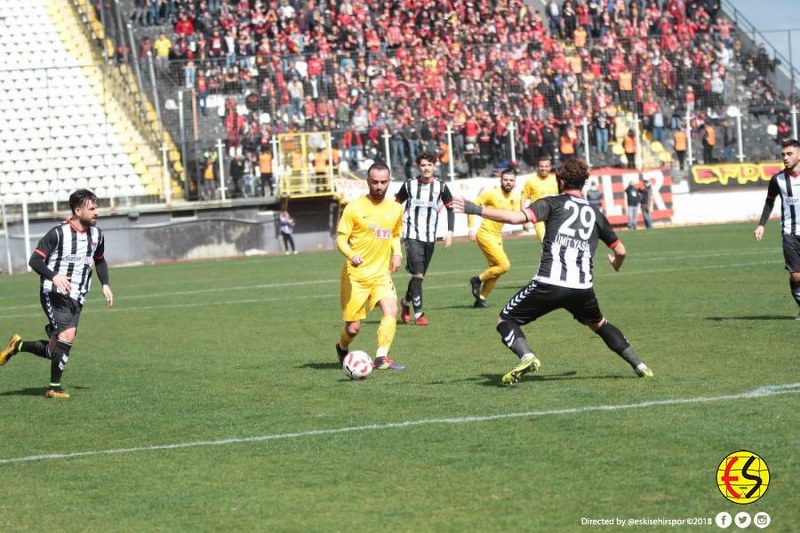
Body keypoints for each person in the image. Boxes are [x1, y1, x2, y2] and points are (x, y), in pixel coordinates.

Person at [453, 158, 653, 385]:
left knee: (504, 319)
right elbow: (621, 250)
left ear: (561, 180)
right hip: (582, 288)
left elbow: (514, 217)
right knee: (600, 324)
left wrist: (473, 208)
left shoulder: (552, 203)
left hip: (549, 283)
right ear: (584, 183)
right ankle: (640, 365)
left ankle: (527, 356)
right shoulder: (595, 213)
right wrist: (616, 263)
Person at [0, 189, 114, 398]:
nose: (96, 212)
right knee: (67, 335)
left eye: (96, 207)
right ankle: (54, 387)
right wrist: (54, 277)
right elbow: (34, 260)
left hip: (78, 296)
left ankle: (17, 345)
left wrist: (105, 284)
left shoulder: (97, 234)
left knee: (55, 350)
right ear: (78, 211)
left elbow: (100, 260)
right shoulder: (58, 233)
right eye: (92, 208)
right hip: (53, 292)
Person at [334, 163, 405, 370]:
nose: (379, 186)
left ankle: (382, 357)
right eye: (375, 182)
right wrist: (351, 254)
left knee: (391, 310)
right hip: (355, 277)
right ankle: (341, 346)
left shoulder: (395, 208)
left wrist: (398, 254)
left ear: (389, 182)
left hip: (381, 275)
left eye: (383, 182)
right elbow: (340, 239)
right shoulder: (354, 208)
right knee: (353, 328)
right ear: (367, 182)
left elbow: (394, 233)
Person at [394, 152, 455, 326]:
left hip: (430, 237)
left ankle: (406, 302)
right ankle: (419, 314)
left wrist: (450, 231)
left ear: (434, 167)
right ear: (418, 167)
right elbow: (396, 205)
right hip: (411, 235)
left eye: (429, 165)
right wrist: (395, 230)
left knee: (418, 277)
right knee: (418, 274)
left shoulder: (441, 186)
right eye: (423, 165)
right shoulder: (409, 185)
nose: (426, 168)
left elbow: (450, 208)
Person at [754, 138, 800, 319]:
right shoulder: (777, 180)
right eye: (783, 155)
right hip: (789, 232)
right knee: (796, 276)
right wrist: (761, 225)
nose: (786, 158)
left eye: (789, 154)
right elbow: (769, 202)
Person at [467, 167, 521, 308]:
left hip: (497, 236)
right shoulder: (491, 193)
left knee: (496, 271)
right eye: (505, 180)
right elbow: (471, 207)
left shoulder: (515, 197)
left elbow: (516, 216)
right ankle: (477, 280)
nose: (508, 182)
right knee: (504, 265)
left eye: (511, 180)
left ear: (514, 182)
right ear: (500, 180)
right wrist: (471, 228)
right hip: (485, 233)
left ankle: (481, 299)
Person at [521, 157, 558, 241]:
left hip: (554, 216)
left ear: (550, 167)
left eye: (546, 166)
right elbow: (522, 200)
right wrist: (524, 220)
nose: (543, 168)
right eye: (541, 166)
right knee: (545, 241)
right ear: (537, 167)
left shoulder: (556, 180)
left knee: (556, 243)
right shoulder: (530, 181)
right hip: (539, 217)